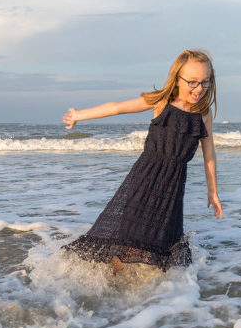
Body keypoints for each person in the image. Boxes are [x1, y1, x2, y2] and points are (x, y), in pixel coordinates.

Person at [60, 49, 223, 275]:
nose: (199, 88)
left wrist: (213, 191)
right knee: (130, 238)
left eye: (205, 82)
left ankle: (158, 290)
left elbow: (209, 152)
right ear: (177, 79)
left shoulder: (204, 113)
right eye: (192, 82)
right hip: (145, 178)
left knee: (161, 243)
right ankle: (110, 282)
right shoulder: (162, 101)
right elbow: (116, 107)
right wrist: (79, 115)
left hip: (174, 185)